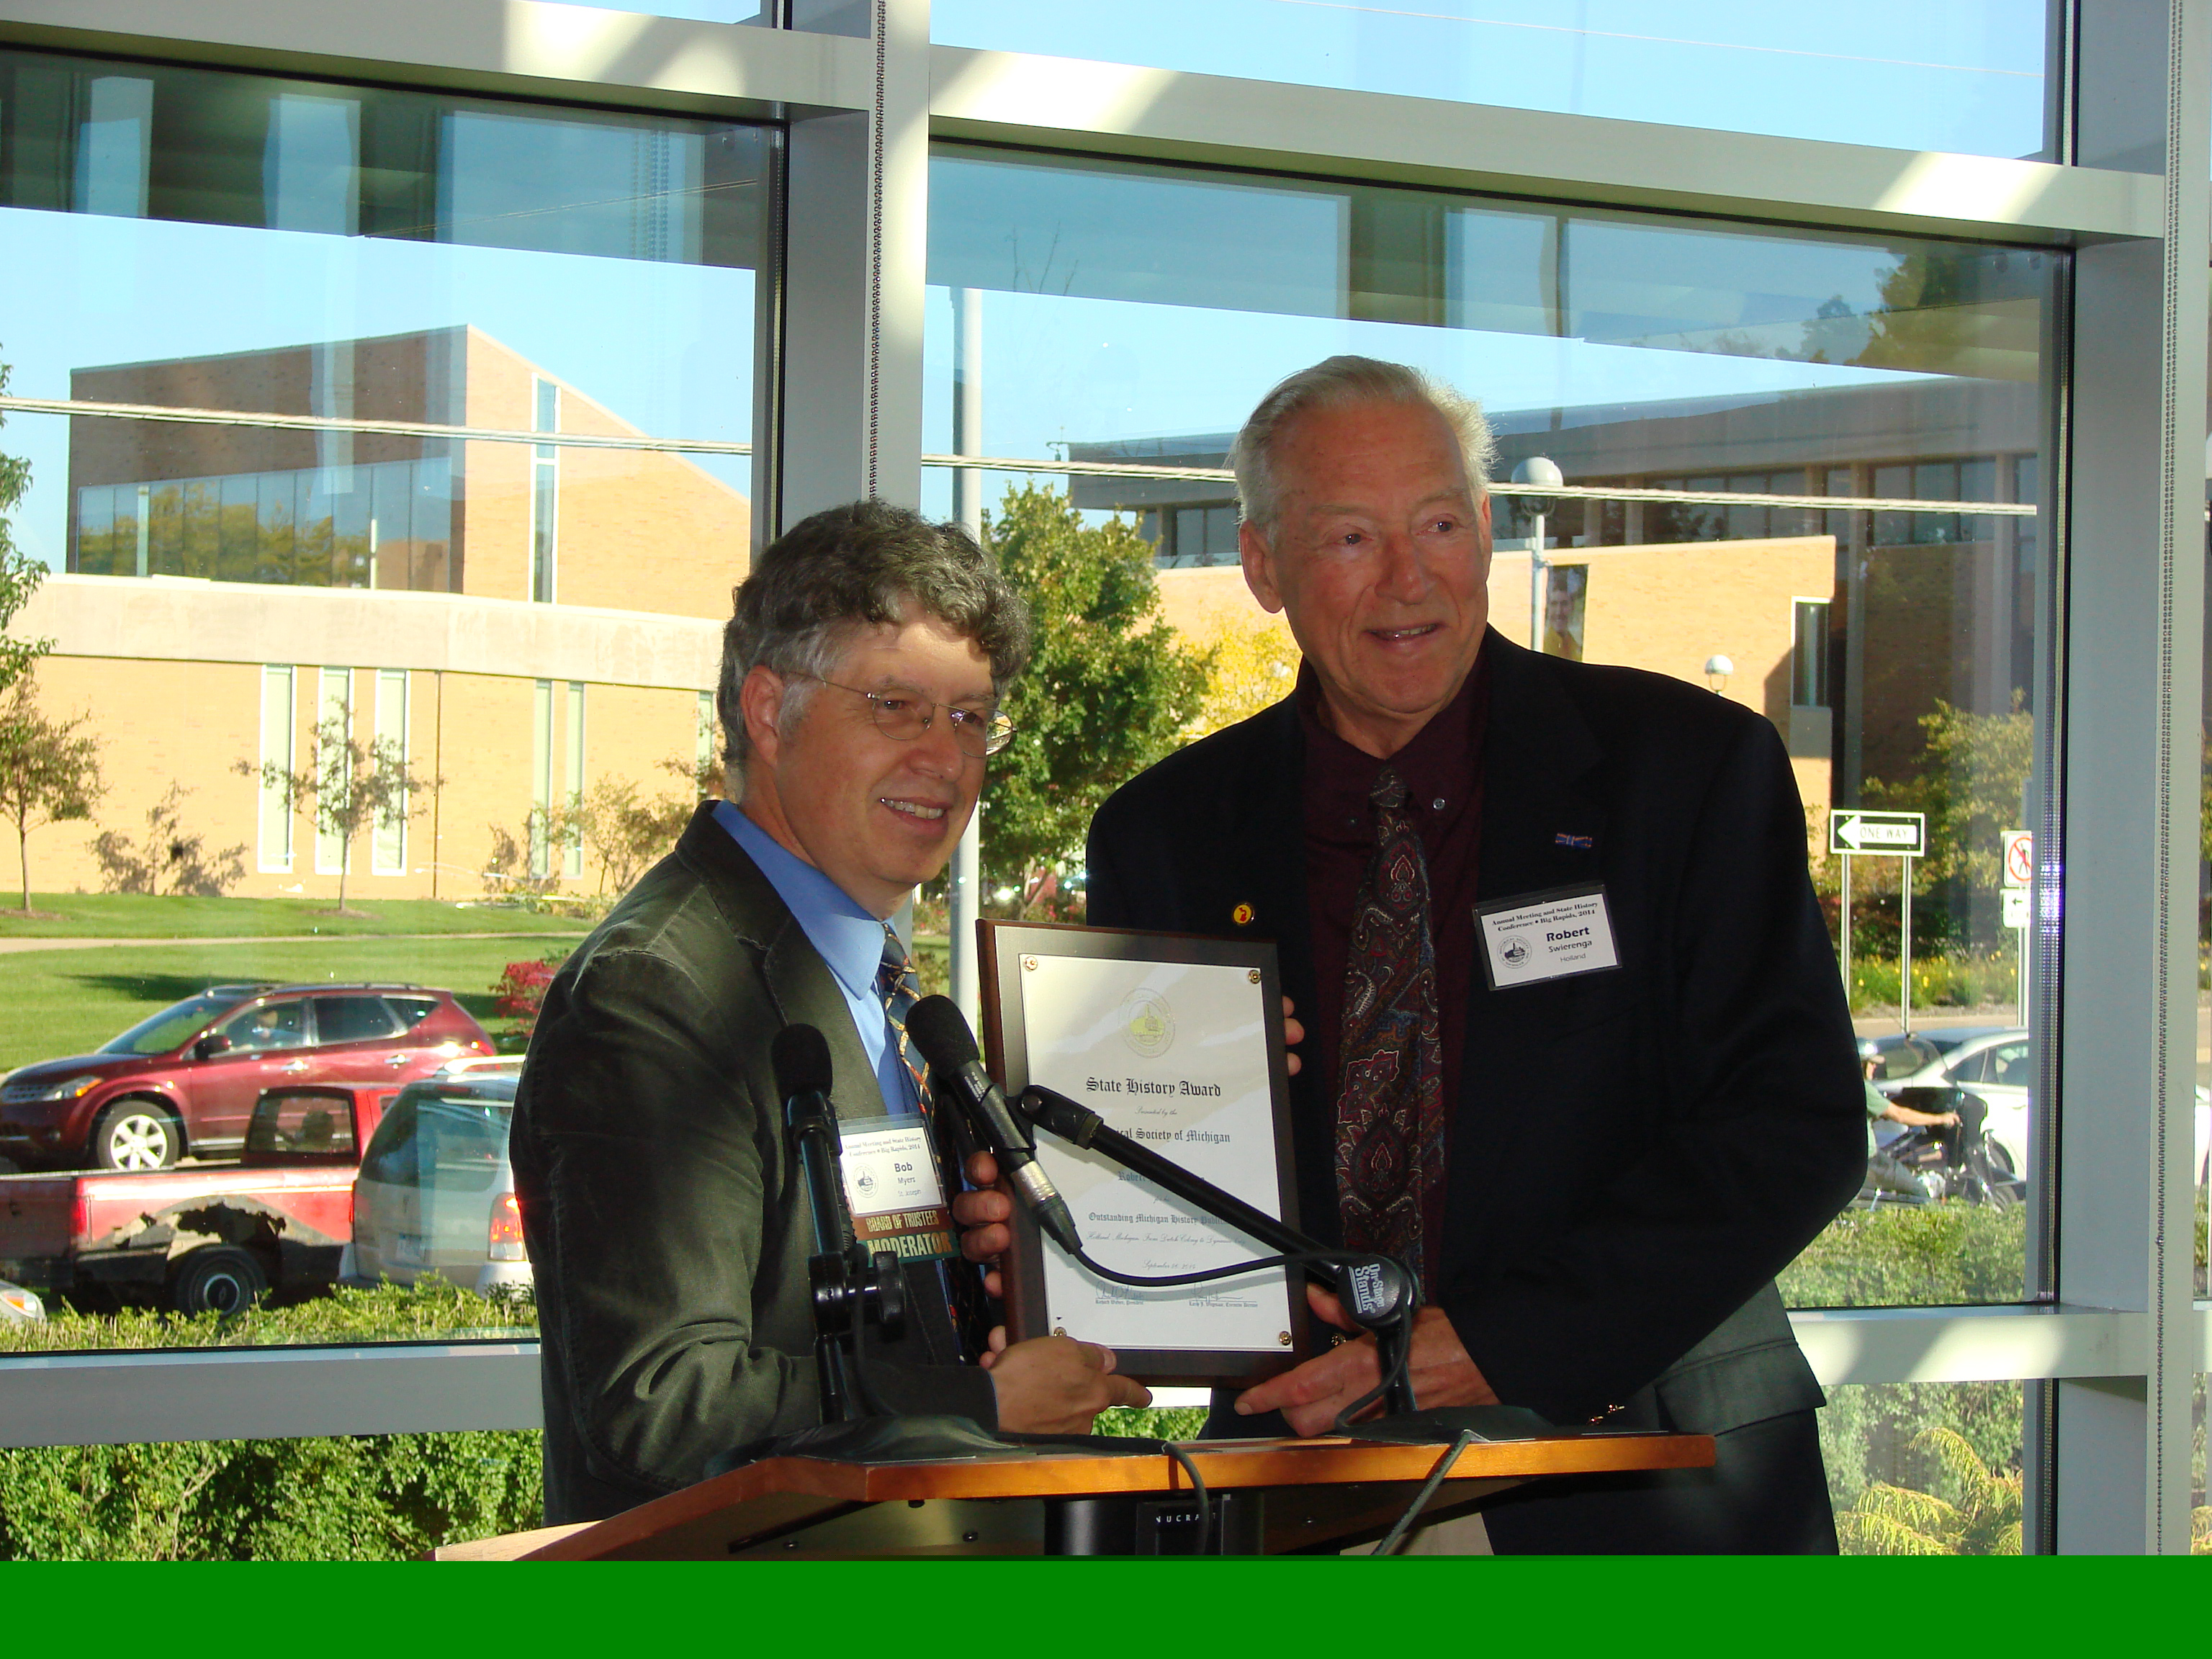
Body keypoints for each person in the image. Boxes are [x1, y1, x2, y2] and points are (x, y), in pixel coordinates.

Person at [966, 356, 1866, 1552]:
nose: (1410, 577)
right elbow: (1155, 1145)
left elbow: (1793, 1128)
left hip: (1642, 1471)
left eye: (1439, 523)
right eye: (1350, 538)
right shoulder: (1169, 829)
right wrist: (1049, 1223)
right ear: (1262, 565)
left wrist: (1486, 1346)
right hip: (1306, 1482)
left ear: (1486, 531)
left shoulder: (1686, 772)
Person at [511, 500, 1148, 1525]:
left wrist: (991, 1285)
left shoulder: (892, 1000)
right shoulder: (658, 996)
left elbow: (849, 1316)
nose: (946, 759)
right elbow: (657, 1405)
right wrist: (981, 1400)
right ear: (770, 711)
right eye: (895, 705)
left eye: (972, 715)